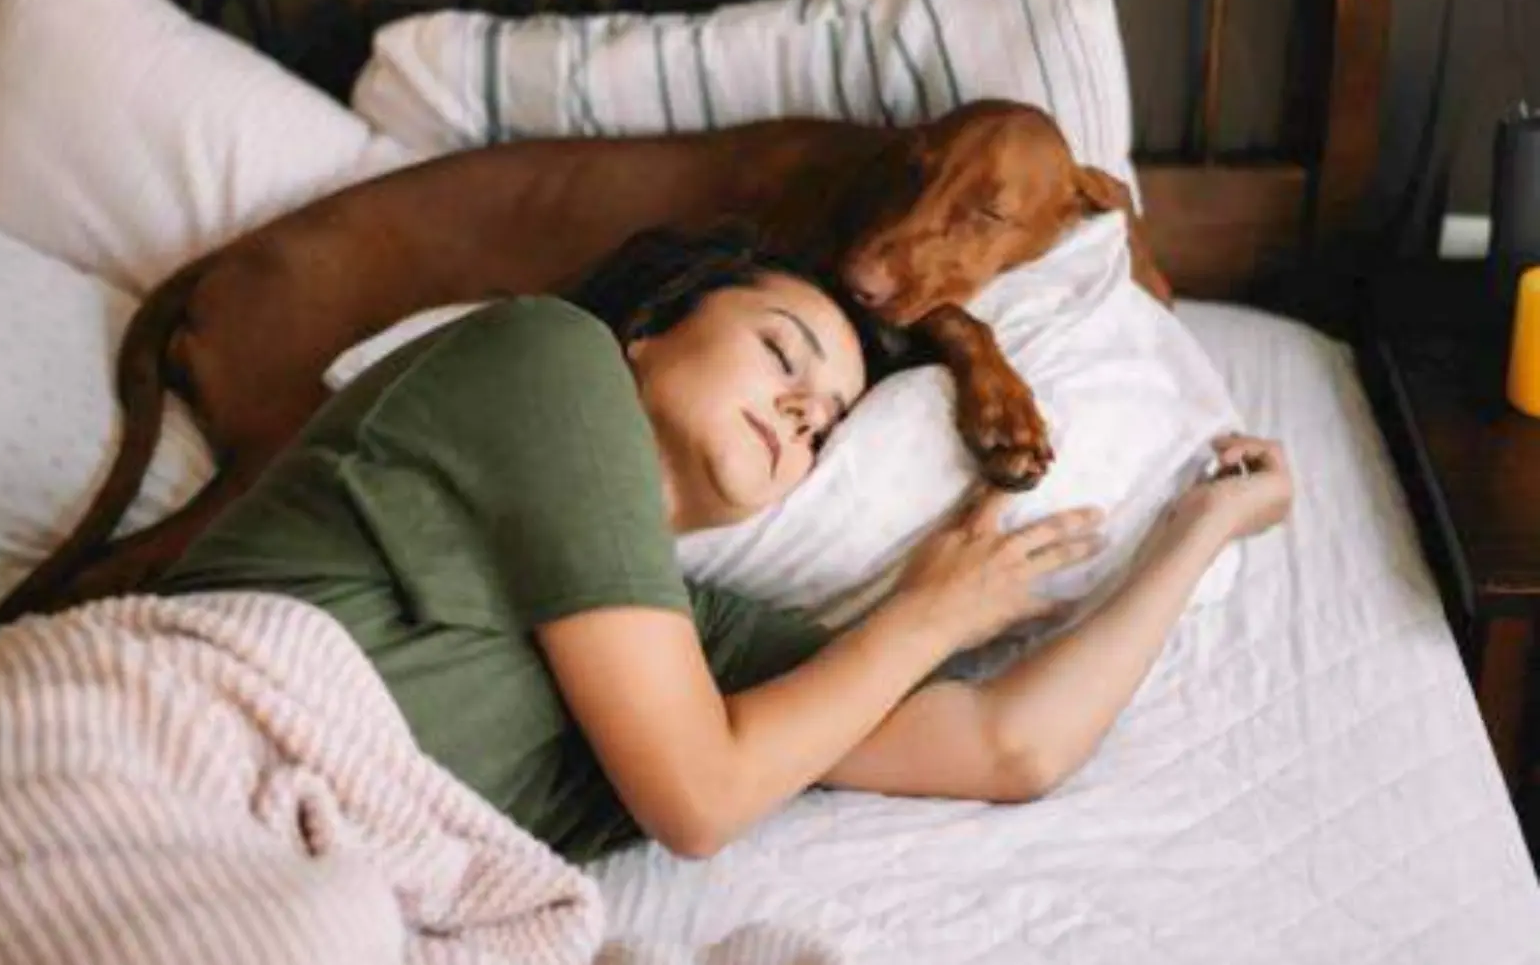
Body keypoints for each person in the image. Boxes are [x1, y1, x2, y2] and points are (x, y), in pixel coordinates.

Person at [153, 222, 1294, 864]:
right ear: (648, 332)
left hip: (294, 888)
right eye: (782, 351)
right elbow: (697, 797)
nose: (805, 409)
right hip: (161, 749)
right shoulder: (545, 356)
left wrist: (1198, 531)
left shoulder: (696, 656)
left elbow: (1011, 746)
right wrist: (925, 617)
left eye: (830, 425)